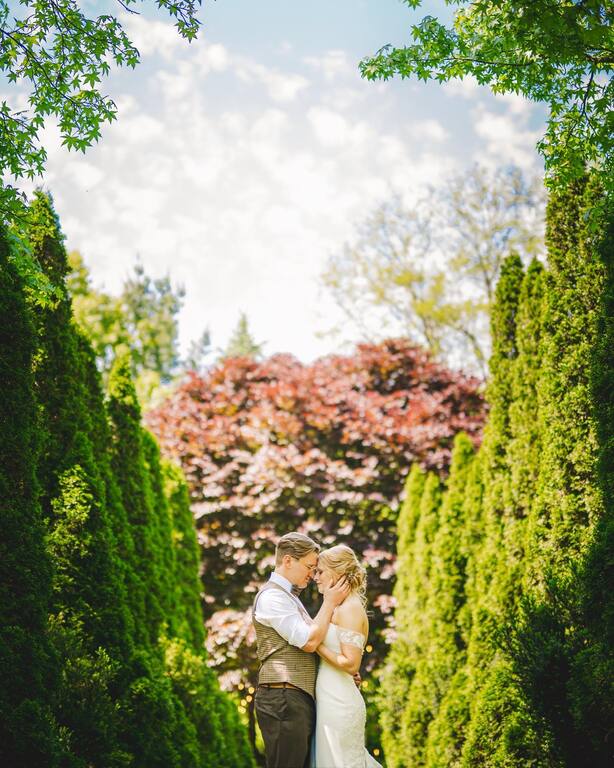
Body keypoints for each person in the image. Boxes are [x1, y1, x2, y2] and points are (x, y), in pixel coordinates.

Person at [252, 532, 350, 768]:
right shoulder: (273, 597)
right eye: (309, 566)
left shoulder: (290, 598)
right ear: (287, 561)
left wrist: (342, 667)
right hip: (283, 699)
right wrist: (330, 602)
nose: (313, 574)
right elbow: (308, 641)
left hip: (295, 699)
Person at [312, 544, 383, 768]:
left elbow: (351, 663)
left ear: (338, 573)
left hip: (339, 703)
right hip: (329, 698)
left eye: (320, 571)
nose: (316, 577)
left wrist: (314, 645)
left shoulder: (350, 609)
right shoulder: (335, 608)